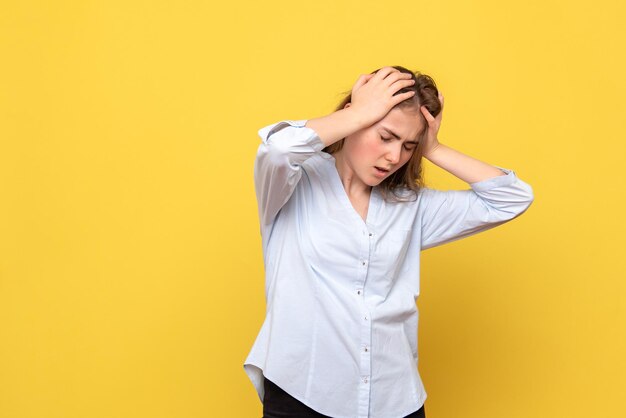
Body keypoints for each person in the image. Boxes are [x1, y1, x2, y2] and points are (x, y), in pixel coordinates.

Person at [243, 65, 534, 418]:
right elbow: (276, 150)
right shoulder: (294, 182)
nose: (395, 157)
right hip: (304, 393)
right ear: (354, 120)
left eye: (408, 145)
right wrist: (362, 112)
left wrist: (433, 148)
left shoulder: (410, 206)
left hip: (395, 400)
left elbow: (512, 198)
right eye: (385, 137)